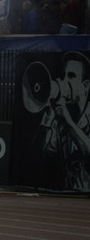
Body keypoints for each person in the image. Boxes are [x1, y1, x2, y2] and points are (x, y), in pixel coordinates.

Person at [41, 52, 90, 190]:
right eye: (64, 76)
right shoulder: (62, 115)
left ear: (85, 85)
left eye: (72, 76)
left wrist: (69, 122)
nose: (64, 81)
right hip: (70, 194)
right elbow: (47, 152)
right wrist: (49, 116)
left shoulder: (68, 118)